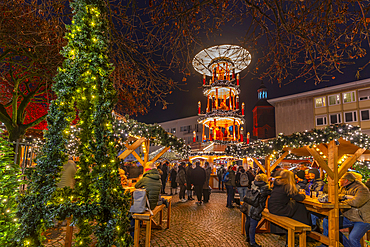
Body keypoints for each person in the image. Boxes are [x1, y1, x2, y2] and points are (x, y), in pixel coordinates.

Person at [318, 172, 370, 247]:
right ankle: (327, 244)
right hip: (350, 217)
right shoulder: (344, 187)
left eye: (340, 179)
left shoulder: (362, 189)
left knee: (353, 238)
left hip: (362, 219)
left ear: (346, 181)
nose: (338, 181)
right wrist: (345, 197)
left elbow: (356, 202)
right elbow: (336, 197)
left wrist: (343, 199)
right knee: (329, 224)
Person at [268, 170, 309, 247]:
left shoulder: (277, 184)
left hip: (272, 209)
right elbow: (298, 198)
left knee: (294, 208)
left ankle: (292, 237)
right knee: (299, 206)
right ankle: (304, 227)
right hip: (279, 210)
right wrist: (303, 195)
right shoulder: (287, 185)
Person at [244, 174, 271, 247]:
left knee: (248, 222)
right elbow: (271, 193)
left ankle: (248, 237)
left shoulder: (253, 184)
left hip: (249, 205)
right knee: (253, 224)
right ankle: (252, 242)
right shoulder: (265, 187)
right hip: (256, 207)